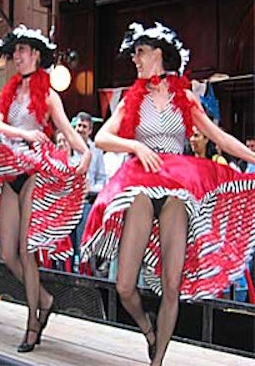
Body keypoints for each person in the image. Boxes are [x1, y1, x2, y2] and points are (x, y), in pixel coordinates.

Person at [80, 22, 255, 366]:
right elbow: (102, 138)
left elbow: (220, 139)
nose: (135, 59)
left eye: (140, 53)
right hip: (141, 184)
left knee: (171, 286)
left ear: (158, 53)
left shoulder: (186, 98)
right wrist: (134, 145)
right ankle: (147, 327)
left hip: (179, 188)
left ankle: (157, 361)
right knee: (125, 286)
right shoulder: (132, 98)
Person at [0, 24, 90, 352]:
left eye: (23, 51)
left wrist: (86, 151)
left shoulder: (48, 93)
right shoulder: (7, 91)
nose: (17, 56)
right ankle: (45, 299)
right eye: (15, 51)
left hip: (35, 169)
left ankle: (33, 323)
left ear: (36, 55)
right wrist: (24, 134)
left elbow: (65, 127)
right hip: (10, 169)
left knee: (25, 250)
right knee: (7, 253)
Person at [72, 111, 107, 275]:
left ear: (90, 130)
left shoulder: (97, 151)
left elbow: (102, 180)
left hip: (86, 201)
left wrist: (91, 188)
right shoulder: (68, 145)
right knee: (66, 246)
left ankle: (84, 276)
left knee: (83, 243)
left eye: (84, 127)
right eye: (78, 125)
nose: (80, 129)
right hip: (67, 202)